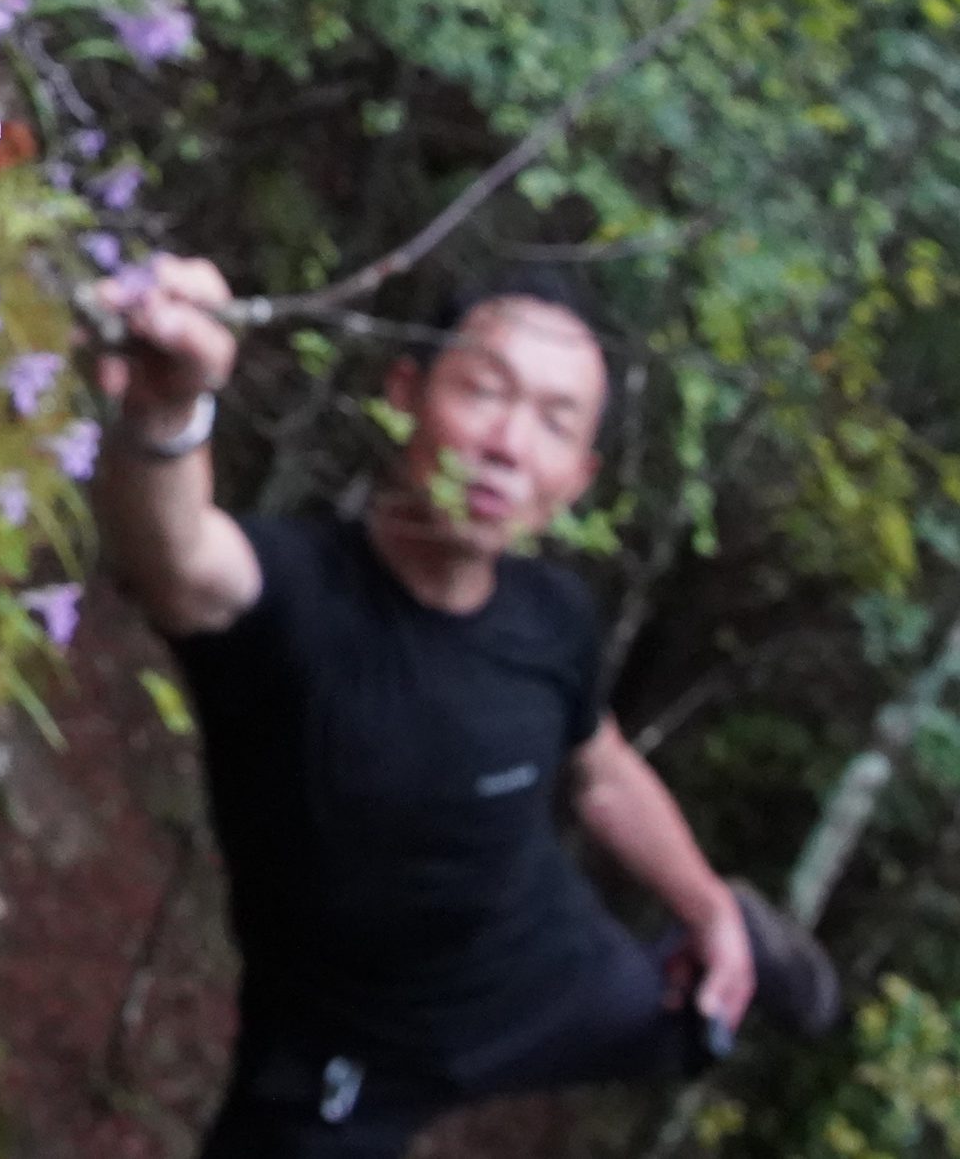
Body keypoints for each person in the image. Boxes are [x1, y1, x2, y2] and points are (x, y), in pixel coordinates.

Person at [89, 257, 842, 1158]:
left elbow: (598, 768)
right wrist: (168, 410)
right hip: (346, 1056)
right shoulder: (295, 594)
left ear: (578, 476)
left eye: (555, 422)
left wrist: (709, 905)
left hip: (552, 979)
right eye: (487, 391)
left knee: (700, 1010)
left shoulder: (553, 613)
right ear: (406, 391)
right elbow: (179, 560)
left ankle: (749, 946)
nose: (509, 444)